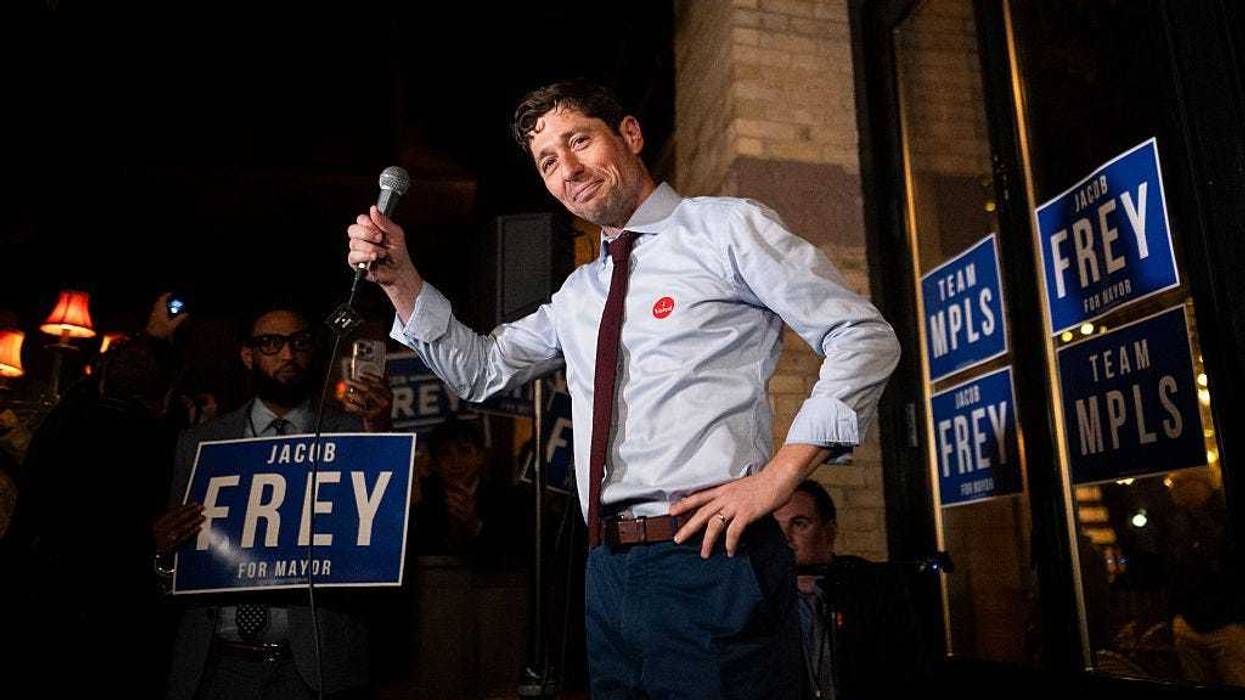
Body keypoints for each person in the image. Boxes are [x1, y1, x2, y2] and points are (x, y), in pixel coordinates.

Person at [345, 80, 900, 698]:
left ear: (630, 134)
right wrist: (400, 281)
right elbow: (480, 371)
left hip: (710, 557)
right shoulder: (578, 294)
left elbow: (861, 336)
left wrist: (780, 477)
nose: (568, 169)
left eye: (579, 141)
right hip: (607, 570)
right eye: (547, 162)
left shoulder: (724, 228)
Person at [157, 305, 392, 700]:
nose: (287, 354)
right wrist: (164, 555)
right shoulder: (201, 443)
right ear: (247, 355)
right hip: (215, 666)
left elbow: (380, 536)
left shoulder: (353, 433)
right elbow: (174, 571)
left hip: (313, 670)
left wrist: (380, 433)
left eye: (300, 342)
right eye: (271, 343)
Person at [774, 480, 929, 699]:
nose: (786, 539)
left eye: (799, 524)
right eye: (776, 528)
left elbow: (906, 670)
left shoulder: (874, 588)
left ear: (829, 531)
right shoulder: (762, 598)